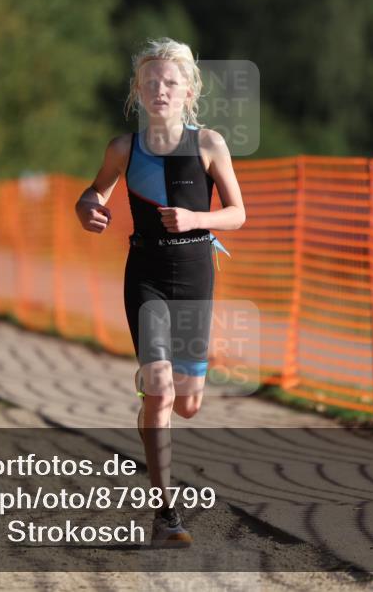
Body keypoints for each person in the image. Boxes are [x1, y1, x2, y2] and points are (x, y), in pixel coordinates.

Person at [74, 38, 246, 546]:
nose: (160, 90)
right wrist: (86, 208)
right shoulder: (124, 148)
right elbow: (95, 191)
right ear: (137, 92)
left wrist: (196, 217)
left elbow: (238, 213)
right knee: (161, 390)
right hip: (144, 269)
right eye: (150, 82)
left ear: (189, 90)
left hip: (195, 273)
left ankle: (156, 399)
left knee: (188, 403)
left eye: (170, 82)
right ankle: (166, 511)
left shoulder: (210, 144)